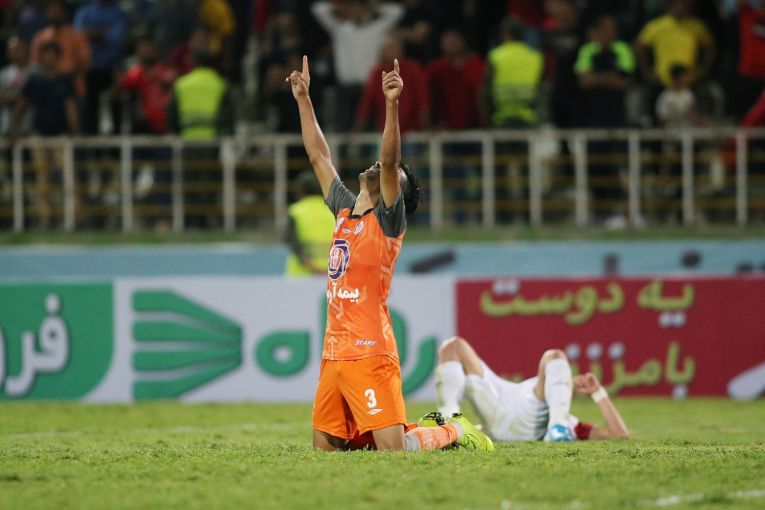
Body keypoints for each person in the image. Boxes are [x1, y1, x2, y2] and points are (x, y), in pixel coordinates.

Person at [287, 55, 491, 452]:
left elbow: (392, 159)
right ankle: (418, 429)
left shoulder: (388, 222)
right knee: (327, 450)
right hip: (334, 352)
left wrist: (392, 104)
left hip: (370, 351)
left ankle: (453, 431)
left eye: (391, 172)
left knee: (392, 451)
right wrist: (304, 100)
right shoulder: (344, 209)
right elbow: (318, 157)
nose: (381, 165)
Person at [433, 336, 630, 442]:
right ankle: (447, 424)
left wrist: (598, 392)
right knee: (452, 346)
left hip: (509, 416)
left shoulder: (574, 426)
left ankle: (557, 428)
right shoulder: (543, 395)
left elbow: (619, 434)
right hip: (496, 403)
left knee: (555, 355)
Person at [9, 41, 80, 228]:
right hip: (39, 135)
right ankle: (45, 218)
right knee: (42, 179)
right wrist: (14, 129)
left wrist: (76, 131)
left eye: (53, 54)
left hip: (61, 136)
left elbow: (70, 107)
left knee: (68, 176)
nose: (49, 58)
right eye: (46, 54)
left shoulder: (64, 80)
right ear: (41, 58)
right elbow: (22, 105)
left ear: (58, 57)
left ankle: (72, 217)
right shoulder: (35, 80)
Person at [311, 0, 403, 131]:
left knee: (369, 129)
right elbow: (318, 9)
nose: (357, 12)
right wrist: (342, 6)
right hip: (344, 87)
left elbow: (396, 12)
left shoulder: (376, 30)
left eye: (360, 9)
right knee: (342, 129)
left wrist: (372, 6)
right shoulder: (341, 29)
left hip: (368, 87)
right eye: (353, 9)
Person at [353, 36, 429, 135]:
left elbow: (423, 101)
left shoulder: (413, 70)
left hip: (412, 131)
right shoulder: (376, 73)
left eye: (393, 48)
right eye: (387, 49)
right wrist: (356, 130)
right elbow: (366, 105)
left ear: (401, 51)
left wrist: (426, 128)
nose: (390, 52)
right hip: (386, 131)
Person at [73, 0, 128, 135]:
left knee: (115, 105)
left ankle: (115, 144)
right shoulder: (85, 11)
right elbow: (78, 35)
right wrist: (101, 33)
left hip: (112, 68)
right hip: (89, 69)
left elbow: (116, 37)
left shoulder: (118, 13)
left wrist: (92, 34)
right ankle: (92, 144)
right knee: (90, 108)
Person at [635, 0, 716, 89]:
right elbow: (639, 46)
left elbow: (710, 47)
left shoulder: (696, 26)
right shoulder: (657, 25)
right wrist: (647, 73)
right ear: (672, 4)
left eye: (687, 5)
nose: (684, 7)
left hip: (689, 81)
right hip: (662, 81)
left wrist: (702, 71)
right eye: (681, 3)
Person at [482, 18, 543, 128]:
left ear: (506, 33)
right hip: (528, 115)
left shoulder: (495, 55)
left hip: (501, 116)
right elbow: (540, 84)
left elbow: (486, 85)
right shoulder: (535, 56)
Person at [30, 0, 90, 96]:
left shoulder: (77, 36)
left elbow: (85, 63)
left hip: (73, 87)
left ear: (64, 12)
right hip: (47, 89)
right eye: (52, 9)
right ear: (47, 12)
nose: (55, 13)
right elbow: (35, 65)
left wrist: (66, 78)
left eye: (58, 9)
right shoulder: (40, 37)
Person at [284, 171, 337, 277]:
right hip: (332, 274)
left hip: (300, 276)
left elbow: (292, 242)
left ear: (299, 190)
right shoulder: (335, 211)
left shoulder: (295, 211)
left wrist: (311, 266)